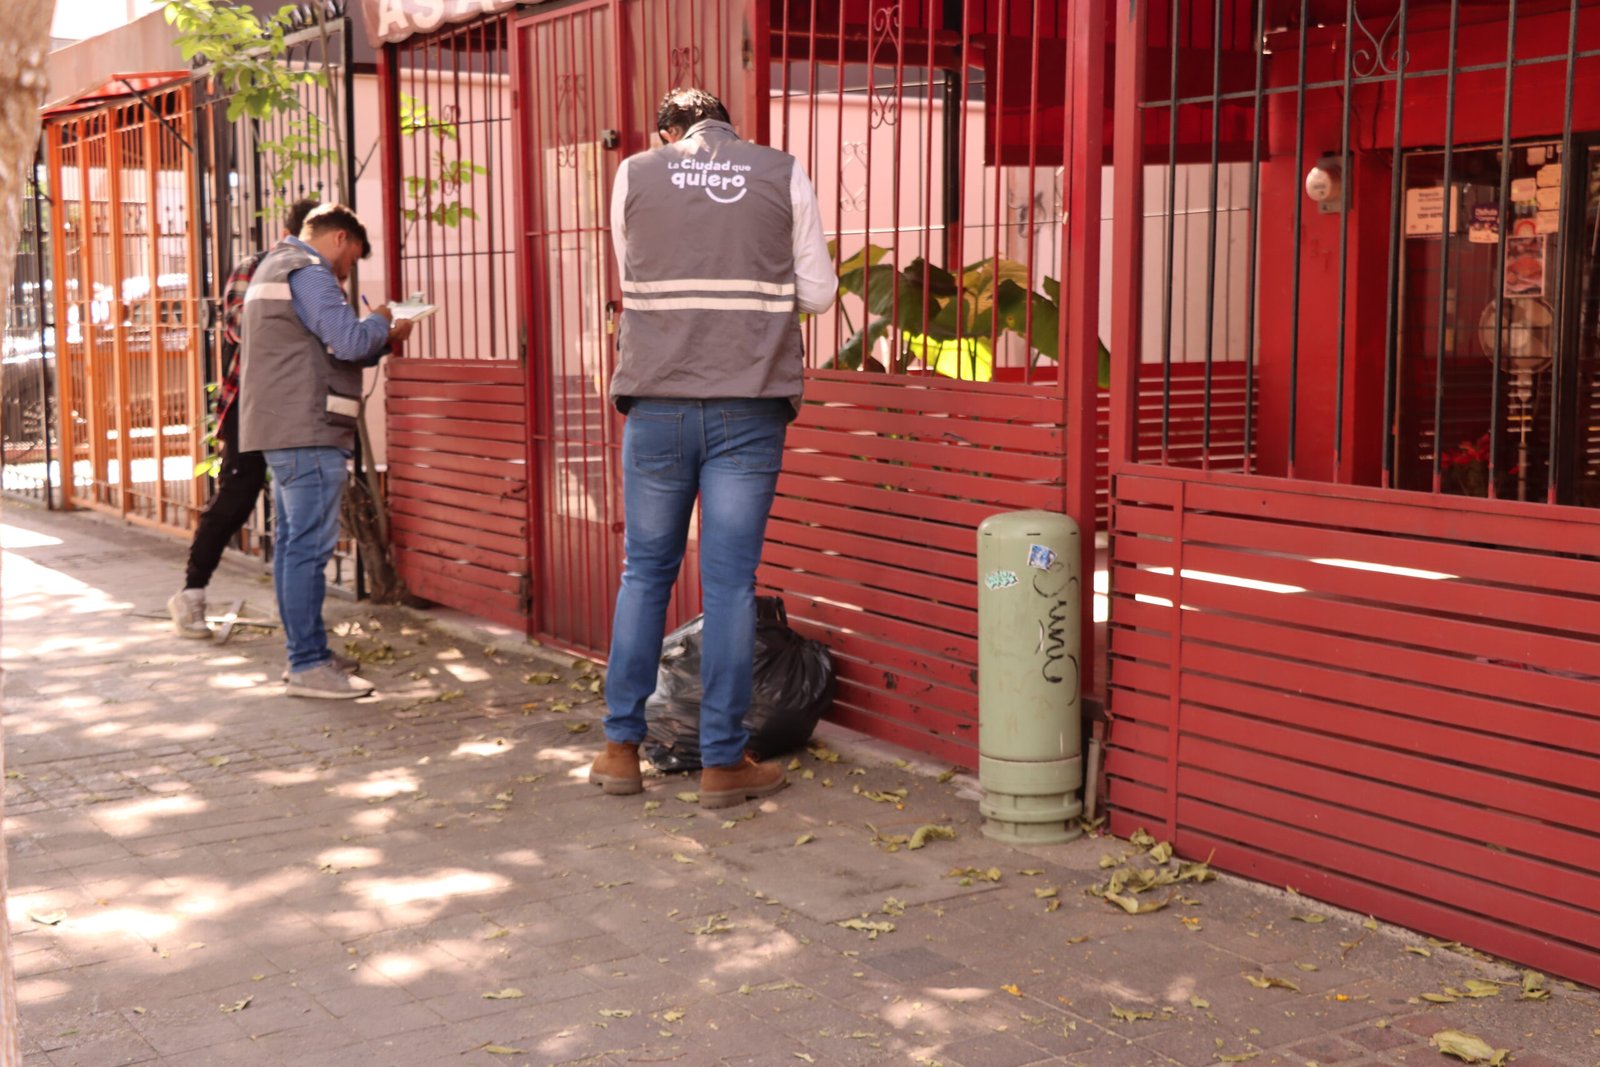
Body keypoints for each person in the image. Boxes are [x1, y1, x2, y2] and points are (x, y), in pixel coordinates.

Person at [587, 89, 837, 809]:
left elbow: (634, 270)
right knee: (729, 585)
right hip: (748, 407)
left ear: (668, 131)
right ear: (730, 125)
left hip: (658, 405)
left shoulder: (634, 173)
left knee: (645, 572)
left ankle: (618, 750)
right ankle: (723, 764)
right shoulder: (780, 171)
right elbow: (817, 293)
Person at [237, 204, 414, 699]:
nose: (347, 271)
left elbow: (328, 348)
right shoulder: (308, 271)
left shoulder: (273, 266)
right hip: (306, 429)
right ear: (339, 239)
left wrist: (379, 340)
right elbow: (347, 338)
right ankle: (307, 664)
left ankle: (308, 652)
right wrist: (382, 322)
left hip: (283, 428)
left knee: (295, 549)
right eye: (351, 259)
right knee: (307, 553)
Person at [168, 197, 322, 640]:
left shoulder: (320, 274)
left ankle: (289, 605)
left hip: (298, 405)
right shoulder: (256, 267)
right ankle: (191, 594)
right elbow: (240, 327)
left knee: (294, 503)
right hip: (250, 400)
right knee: (239, 492)